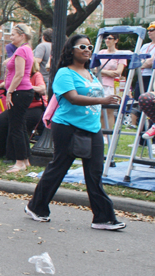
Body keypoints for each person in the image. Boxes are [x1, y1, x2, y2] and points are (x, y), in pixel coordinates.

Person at [25, 35, 125, 230]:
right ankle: (36, 207)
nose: (87, 49)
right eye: (82, 46)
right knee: (59, 167)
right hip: (67, 126)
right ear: (72, 50)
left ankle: (102, 218)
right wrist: (103, 101)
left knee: (94, 172)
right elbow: (72, 98)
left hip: (92, 128)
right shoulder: (64, 73)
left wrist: (107, 99)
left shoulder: (90, 73)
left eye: (89, 46)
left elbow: (92, 96)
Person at [0, 66, 47, 159]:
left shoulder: (36, 75)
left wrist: (25, 87)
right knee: (1, 120)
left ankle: (13, 154)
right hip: (16, 106)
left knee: (16, 123)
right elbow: (2, 85)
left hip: (33, 108)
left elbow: (42, 89)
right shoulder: (15, 76)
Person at [4, 24, 36, 173]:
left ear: (22, 35)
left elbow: (19, 74)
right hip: (23, 91)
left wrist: (9, 92)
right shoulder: (26, 49)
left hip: (20, 91)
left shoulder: (22, 50)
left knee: (16, 127)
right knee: (21, 126)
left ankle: (20, 161)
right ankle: (25, 159)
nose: (11, 37)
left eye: (13, 34)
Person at [96, 33, 127, 130]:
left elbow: (118, 72)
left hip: (112, 86)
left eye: (110, 38)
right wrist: (107, 73)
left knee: (109, 111)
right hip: (99, 84)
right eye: (106, 38)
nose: (107, 40)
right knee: (100, 111)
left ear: (116, 40)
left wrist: (102, 72)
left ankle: (107, 135)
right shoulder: (101, 53)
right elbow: (94, 70)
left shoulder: (120, 54)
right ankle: (101, 133)